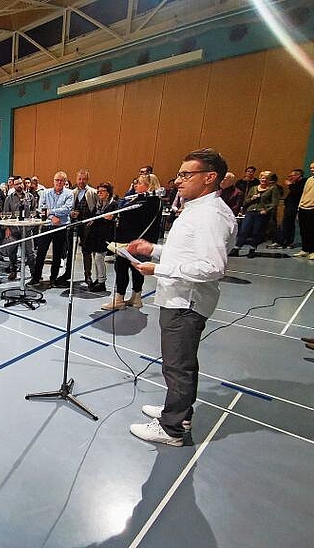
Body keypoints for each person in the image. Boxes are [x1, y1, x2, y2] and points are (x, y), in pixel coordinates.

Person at [128, 148, 237, 447]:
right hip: (176, 297)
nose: (178, 181)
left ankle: (173, 428)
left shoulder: (212, 216)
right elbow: (187, 253)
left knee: (178, 366)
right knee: (176, 363)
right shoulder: (196, 209)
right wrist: (154, 250)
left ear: (209, 178)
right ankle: (174, 411)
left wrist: (159, 268)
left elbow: (212, 267)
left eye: (186, 175)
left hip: (186, 303)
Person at [102, 173, 162, 310]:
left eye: (139, 183)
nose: (136, 185)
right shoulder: (153, 200)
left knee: (122, 269)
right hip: (141, 241)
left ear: (149, 186)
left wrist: (117, 215)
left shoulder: (148, 201)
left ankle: (119, 299)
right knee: (136, 271)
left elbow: (129, 214)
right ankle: (136, 298)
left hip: (133, 243)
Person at [30, 171, 73, 286]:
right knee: (41, 253)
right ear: (53, 181)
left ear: (65, 182)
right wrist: (52, 216)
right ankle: (36, 277)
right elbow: (41, 208)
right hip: (47, 226)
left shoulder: (69, 193)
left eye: (61, 180)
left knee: (57, 254)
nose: (59, 182)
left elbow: (67, 209)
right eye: (57, 180)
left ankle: (53, 278)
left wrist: (51, 212)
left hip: (61, 227)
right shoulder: (45, 192)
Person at [229, 171, 280, 257]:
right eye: (262, 178)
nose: (263, 180)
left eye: (266, 178)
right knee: (244, 230)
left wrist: (266, 210)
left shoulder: (273, 189)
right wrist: (252, 198)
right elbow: (246, 200)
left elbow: (275, 203)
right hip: (250, 211)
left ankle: (252, 249)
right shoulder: (254, 188)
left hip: (261, 213)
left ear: (269, 180)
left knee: (257, 232)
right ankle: (237, 248)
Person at [63, 169, 98, 287]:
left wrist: (93, 219)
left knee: (86, 251)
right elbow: (67, 208)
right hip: (73, 225)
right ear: (76, 179)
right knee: (70, 251)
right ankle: (67, 274)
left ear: (87, 180)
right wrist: (71, 213)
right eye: (79, 179)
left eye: (84, 179)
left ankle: (88, 275)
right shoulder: (72, 193)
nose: (81, 181)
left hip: (87, 226)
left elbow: (98, 209)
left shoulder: (93, 192)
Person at [83, 182, 116, 293]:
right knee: (96, 257)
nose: (100, 193)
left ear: (108, 193)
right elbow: (96, 217)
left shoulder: (113, 204)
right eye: (98, 191)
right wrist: (99, 218)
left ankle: (102, 282)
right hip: (96, 234)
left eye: (102, 191)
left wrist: (97, 219)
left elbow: (109, 218)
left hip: (106, 235)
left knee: (99, 257)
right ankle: (98, 279)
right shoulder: (98, 203)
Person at [2, 178, 37, 281]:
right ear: (13, 186)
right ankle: (13, 270)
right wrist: (6, 228)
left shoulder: (30, 197)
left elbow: (34, 211)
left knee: (30, 252)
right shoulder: (9, 198)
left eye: (20, 183)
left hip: (26, 230)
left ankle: (33, 272)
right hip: (14, 230)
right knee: (12, 252)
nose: (19, 185)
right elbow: (5, 213)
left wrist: (32, 224)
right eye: (17, 184)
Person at [269, 169, 305, 249]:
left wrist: (290, 185)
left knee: (288, 225)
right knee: (287, 225)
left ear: (298, 175)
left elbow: (297, 192)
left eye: (291, 176)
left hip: (296, 207)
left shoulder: (303, 183)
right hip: (289, 207)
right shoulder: (295, 184)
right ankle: (284, 242)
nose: (289, 178)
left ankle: (285, 242)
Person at [293, 161, 314, 260]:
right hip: (303, 208)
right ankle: (305, 249)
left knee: (312, 231)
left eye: (313, 167)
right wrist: (299, 208)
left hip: (312, 209)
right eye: (311, 168)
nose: (312, 169)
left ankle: (313, 251)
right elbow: (304, 194)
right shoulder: (309, 179)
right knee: (304, 230)